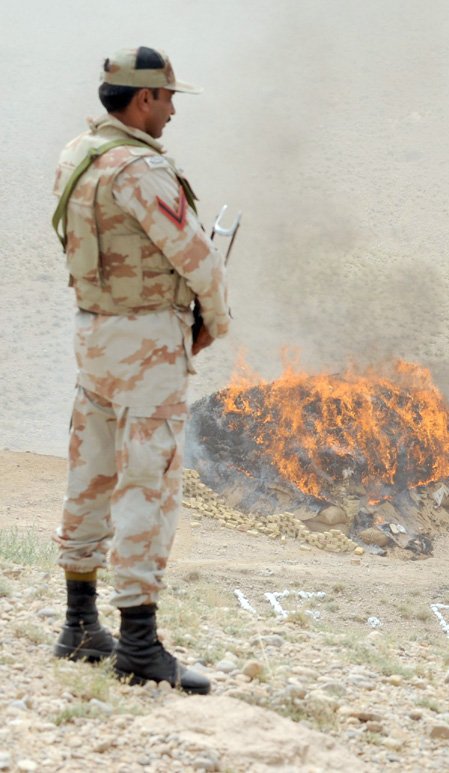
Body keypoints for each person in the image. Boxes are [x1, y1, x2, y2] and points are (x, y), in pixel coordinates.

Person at [50, 46, 231, 695]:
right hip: (147, 340)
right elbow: (198, 256)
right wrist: (214, 320)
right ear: (143, 99)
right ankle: (138, 641)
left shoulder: (78, 155)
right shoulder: (140, 167)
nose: (174, 110)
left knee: (90, 470)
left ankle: (78, 622)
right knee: (147, 483)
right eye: (169, 98)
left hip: (94, 329)